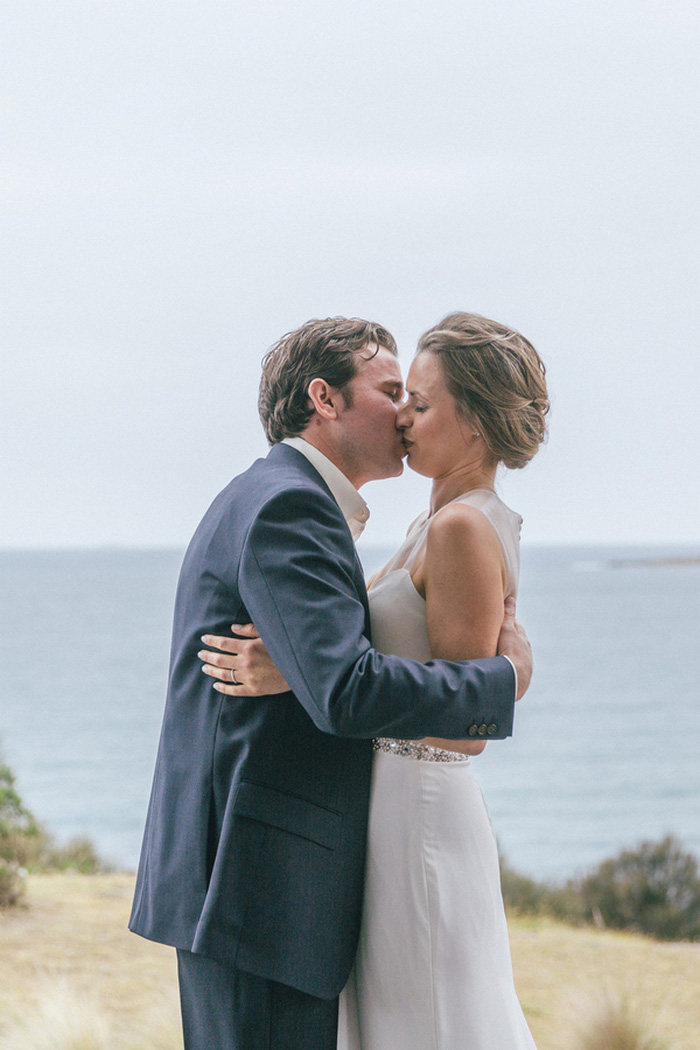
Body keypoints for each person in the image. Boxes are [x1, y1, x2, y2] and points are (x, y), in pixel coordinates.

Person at [129, 315, 532, 1050]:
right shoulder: (291, 503)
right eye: (390, 390)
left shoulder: (288, 497)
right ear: (326, 398)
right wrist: (500, 680)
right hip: (258, 891)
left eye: (418, 397)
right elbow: (345, 690)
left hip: (260, 883)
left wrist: (304, 670)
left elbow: (333, 674)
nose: (404, 411)